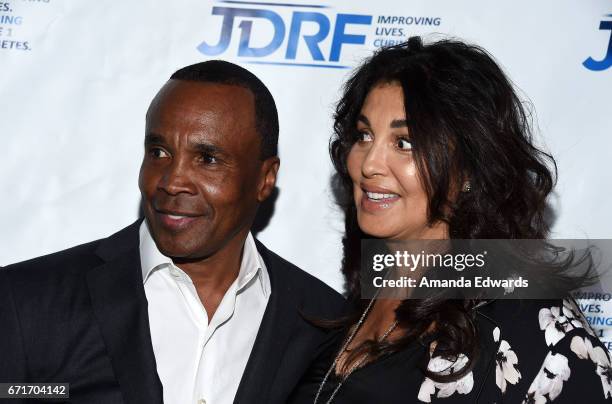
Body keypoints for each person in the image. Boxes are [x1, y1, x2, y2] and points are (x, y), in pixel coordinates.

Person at [0, 60, 345, 404]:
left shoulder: (321, 323)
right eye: (159, 152)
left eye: (208, 158)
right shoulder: (28, 302)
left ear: (265, 179)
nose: (172, 181)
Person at [288, 37, 612, 403]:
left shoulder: (530, 323)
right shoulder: (361, 295)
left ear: (471, 167)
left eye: (404, 142)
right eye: (363, 135)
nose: (368, 164)